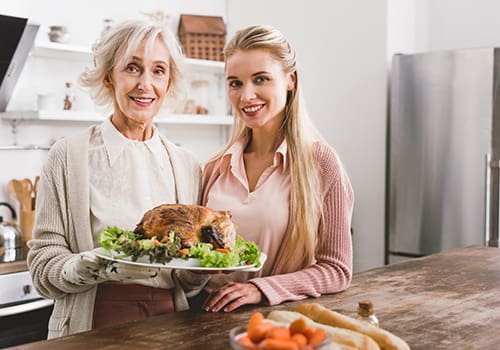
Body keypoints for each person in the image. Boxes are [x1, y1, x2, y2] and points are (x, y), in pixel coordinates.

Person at [27, 19, 210, 338]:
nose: (146, 84)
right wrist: (98, 264)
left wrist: (201, 268)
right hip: (96, 320)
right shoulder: (68, 157)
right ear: (109, 76)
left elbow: (186, 280)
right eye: (132, 68)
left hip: (171, 323)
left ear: (168, 82)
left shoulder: (187, 164)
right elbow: (43, 267)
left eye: (158, 70)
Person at [200, 25, 354, 312]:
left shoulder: (320, 163)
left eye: (261, 79)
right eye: (235, 83)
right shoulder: (215, 167)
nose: (247, 96)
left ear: (290, 80)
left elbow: (337, 270)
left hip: (273, 324)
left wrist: (260, 289)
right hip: (201, 322)